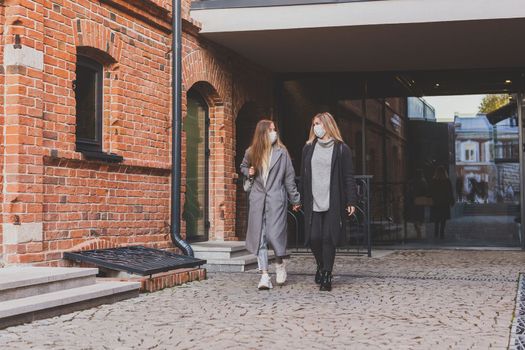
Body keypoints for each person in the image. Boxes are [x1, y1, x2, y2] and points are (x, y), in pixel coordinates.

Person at [299, 112, 357, 291]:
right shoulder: (308, 148)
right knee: (314, 238)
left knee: (328, 238)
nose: (315, 127)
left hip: (333, 201)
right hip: (313, 201)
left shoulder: (341, 149)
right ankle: (320, 264)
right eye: (313, 124)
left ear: (327, 124)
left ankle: (327, 274)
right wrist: (299, 198)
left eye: (318, 123)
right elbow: (303, 175)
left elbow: (348, 176)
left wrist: (351, 201)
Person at [240, 119, 301, 290]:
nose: (274, 133)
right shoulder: (251, 152)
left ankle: (280, 263)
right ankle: (265, 275)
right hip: (258, 199)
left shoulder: (282, 153)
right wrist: (248, 171)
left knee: (275, 236)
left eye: (275, 129)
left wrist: (295, 199)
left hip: (276, 199)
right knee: (260, 237)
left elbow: (289, 178)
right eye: (271, 130)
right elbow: (243, 166)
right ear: (262, 133)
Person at [430, 166, 454, 239]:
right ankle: (442, 233)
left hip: (436, 202)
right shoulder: (447, 181)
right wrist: (451, 200)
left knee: (436, 219)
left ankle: (436, 233)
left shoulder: (434, 181)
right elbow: (450, 192)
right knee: (443, 219)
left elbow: (430, 191)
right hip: (444, 202)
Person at [408, 169, 429, 239]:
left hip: (413, 200)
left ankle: (417, 229)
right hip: (420, 200)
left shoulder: (412, 182)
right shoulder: (423, 181)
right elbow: (426, 190)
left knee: (415, 216)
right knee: (420, 216)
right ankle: (419, 229)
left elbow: (409, 191)